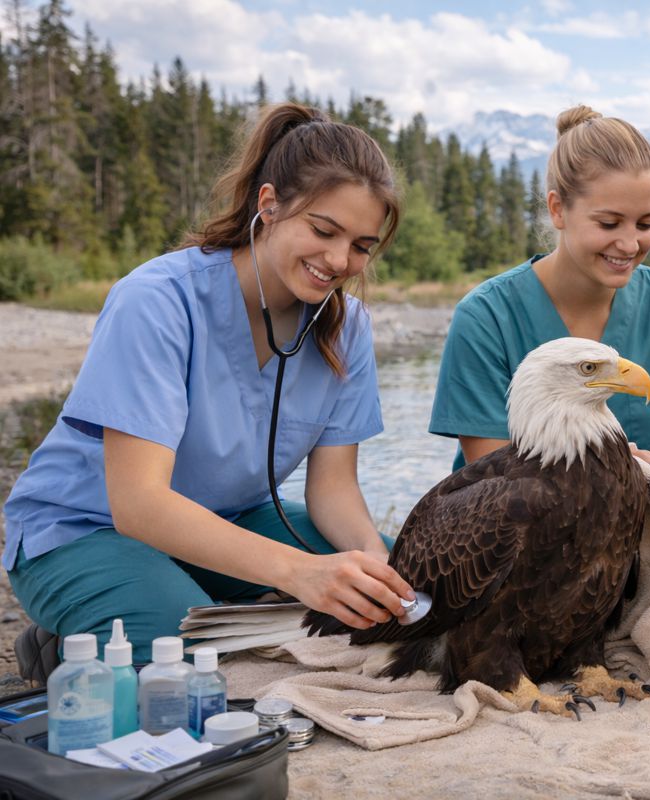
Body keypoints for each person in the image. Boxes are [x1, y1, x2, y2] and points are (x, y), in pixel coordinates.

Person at [4, 103, 417, 668]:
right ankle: (66, 641)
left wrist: (369, 557)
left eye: (362, 246)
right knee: (188, 654)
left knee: (397, 584)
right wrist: (299, 574)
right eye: (323, 230)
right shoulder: (157, 301)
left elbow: (333, 490)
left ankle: (203, 598)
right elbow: (139, 505)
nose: (339, 260)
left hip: (226, 520)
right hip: (86, 529)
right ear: (268, 206)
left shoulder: (348, 331)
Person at [429, 105, 650, 483]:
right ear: (558, 209)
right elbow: (493, 478)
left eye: (645, 223)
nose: (628, 243)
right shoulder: (487, 316)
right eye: (608, 223)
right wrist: (619, 472)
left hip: (645, 530)